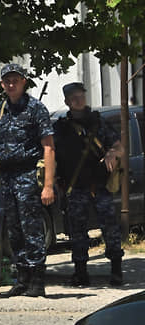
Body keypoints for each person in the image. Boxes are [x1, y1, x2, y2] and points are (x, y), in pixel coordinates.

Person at [0, 63, 55, 298]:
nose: (11, 84)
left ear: (24, 82)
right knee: (13, 231)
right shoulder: (0, 109)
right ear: (2, 84)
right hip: (7, 177)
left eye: (15, 80)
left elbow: (48, 147)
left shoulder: (36, 109)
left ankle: (37, 281)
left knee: (32, 228)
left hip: (27, 175)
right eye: (7, 81)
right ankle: (22, 279)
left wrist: (48, 186)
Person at [54, 82, 124, 286]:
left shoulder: (98, 123)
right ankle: (81, 272)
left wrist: (112, 153)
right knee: (77, 231)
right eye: (74, 97)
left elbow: (119, 146)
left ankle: (117, 270)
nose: (78, 100)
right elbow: (53, 155)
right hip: (75, 187)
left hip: (99, 185)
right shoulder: (61, 127)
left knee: (110, 228)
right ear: (67, 101)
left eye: (81, 96)